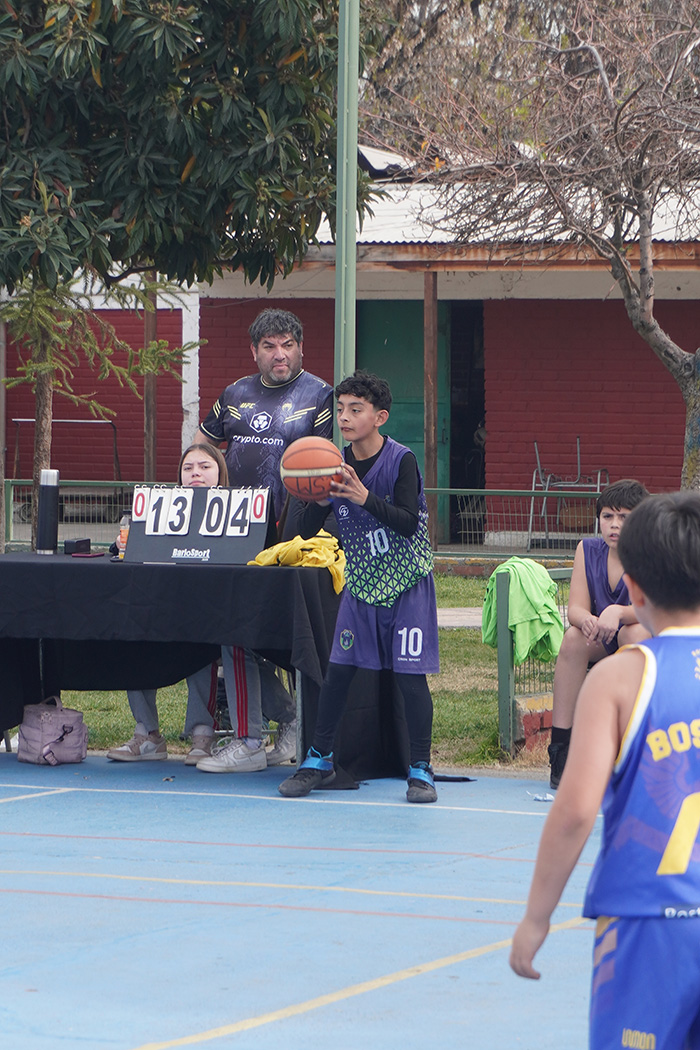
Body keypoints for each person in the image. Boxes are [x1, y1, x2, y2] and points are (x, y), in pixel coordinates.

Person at [510, 492, 700, 1049]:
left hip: (648, 915)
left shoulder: (619, 679)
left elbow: (575, 811)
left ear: (634, 589)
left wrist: (537, 916)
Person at [277, 370, 440, 804]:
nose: (345, 418)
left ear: (379, 417)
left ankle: (420, 768)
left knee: (410, 679)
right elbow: (306, 530)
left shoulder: (402, 460)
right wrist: (314, 494)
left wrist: (363, 496)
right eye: (340, 410)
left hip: (407, 582)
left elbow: (408, 523)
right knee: (338, 675)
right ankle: (319, 759)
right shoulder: (332, 463)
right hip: (363, 584)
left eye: (356, 409)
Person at [191, 307, 333, 772]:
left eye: (287, 345)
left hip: (291, 532)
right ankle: (280, 722)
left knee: (281, 634)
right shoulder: (234, 394)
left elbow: (328, 464)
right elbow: (201, 448)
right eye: (269, 346)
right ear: (255, 351)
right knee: (236, 630)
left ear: (300, 348)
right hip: (234, 530)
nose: (279, 354)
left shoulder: (320, 396)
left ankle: (291, 723)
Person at [107, 444, 296, 767]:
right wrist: (123, 543)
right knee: (134, 631)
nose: (195, 473)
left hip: (224, 615)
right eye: (188, 468)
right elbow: (134, 551)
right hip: (169, 612)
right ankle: (147, 733)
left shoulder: (242, 509)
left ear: (220, 473)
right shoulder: (161, 510)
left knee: (224, 641)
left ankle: (213, 732)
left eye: (204, 467)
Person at [548, 479, 650, 789]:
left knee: (633, 634)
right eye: (607, 516)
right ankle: (562, 749)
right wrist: (587, 620)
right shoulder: (587, 549)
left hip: (645, 638)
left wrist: (619, 612)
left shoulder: (652, 551)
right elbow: (575, 608)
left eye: (624, 517)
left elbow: (655, 610)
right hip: (602, 637)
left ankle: (631, 748)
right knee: (573, 638)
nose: (614, 525)